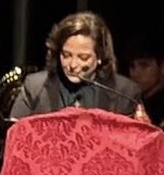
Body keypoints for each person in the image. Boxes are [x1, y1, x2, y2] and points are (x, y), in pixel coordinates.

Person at [9, 11, 144, 120]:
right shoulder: (35, 87)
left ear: (100, 57)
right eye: (66, 55)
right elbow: (14, 136)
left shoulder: (125, 93)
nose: (72, 65)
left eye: (83, 57)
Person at [123, 33, 164, 150]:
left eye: (144, 65)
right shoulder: (128, 103)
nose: (136, 73)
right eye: (132, 66)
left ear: (163, 67)